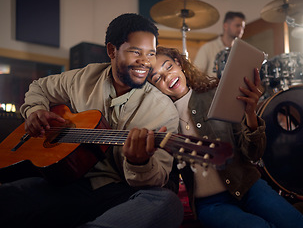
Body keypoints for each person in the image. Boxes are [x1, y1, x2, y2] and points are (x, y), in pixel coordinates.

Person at [0, 13, 184, 228]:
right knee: (9, 196)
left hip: (118, 193)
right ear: (112, 51)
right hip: (67, 183)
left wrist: (139, 162)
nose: (145, 61)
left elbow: (156, 179)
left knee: (167, 202)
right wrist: (35, 110)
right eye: (136, 52)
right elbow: (40, 87)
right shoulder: (84, 77)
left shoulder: (163, 110)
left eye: (150, 53)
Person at [147, 46, 303, 228]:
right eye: (157, 77)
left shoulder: (216, 94)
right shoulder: (161, 121)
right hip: (210, 204)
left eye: (168, 67)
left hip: (249, 186)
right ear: (152, 86)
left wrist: (250, 114)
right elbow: (167, 180)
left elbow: (253, 153)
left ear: (178, 63)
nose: (167, 77)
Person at [194, 11, 246, 77]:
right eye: (238, 25)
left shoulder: (241, 52)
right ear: (225, 26)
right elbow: (196, 74)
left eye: (243, 27)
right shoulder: (207, 48)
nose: (241, 30)